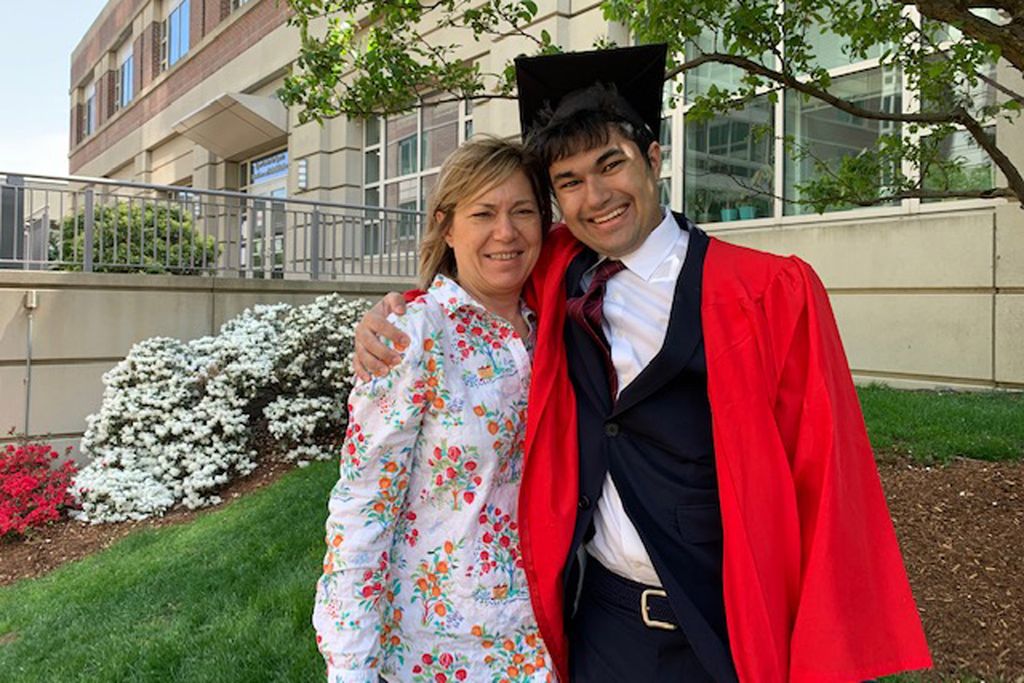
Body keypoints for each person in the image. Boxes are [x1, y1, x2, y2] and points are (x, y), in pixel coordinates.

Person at [353, 45, 932, 683]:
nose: (596, 197)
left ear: (652, 160)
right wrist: (396, 312)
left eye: (612, 166)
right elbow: (477, 280)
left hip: (727, 620)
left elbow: (826, 480)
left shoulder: (768, 293)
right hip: (604, 622)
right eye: (568, 183)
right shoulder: (558, 269)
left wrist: (822, 653)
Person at [313, 136, 556, 682]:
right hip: (442, 646)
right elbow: (362, 509)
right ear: (447, 227)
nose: (506, 232)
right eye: (483, 214)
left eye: (523, 212)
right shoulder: (411, 336)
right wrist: (351, 663)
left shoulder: (558, 325)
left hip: (547, 631)